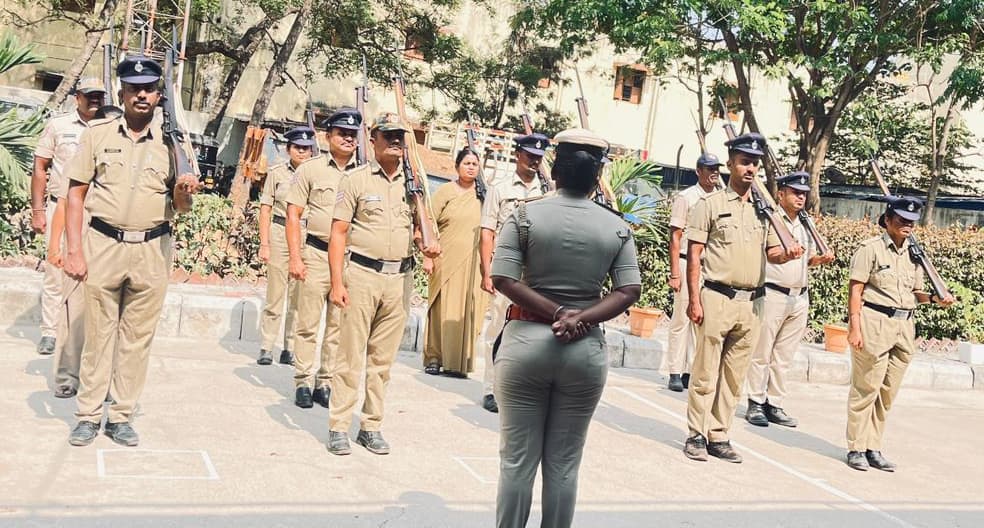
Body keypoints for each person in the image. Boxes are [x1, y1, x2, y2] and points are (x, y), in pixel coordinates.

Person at [492, 128, 640, 528]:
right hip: (583, 350)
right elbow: (629, 289)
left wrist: (556, 310)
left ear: (554, 171)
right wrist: (579, 317)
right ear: (597, 178)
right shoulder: (617, 227)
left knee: (517, 462)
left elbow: (503, 278)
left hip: (526, 344)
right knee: (564, 465)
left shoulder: (524, 215)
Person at [63, 56, 202, 447]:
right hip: (103, 244)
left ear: (159, 96)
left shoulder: (174, 143)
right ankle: (88, 415)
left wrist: (184, 191)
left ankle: (121, 415)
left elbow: (182, 208)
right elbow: (75, 194)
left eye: (150, 89)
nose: (142, 95)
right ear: (122, 93)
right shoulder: (98, 134)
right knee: (98, 336)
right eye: (134, 88)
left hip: (152, 249)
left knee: (137, 339)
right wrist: (74, 250)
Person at [683, 133, 803, 463]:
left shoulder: (764, 211)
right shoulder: (710, 205)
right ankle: (696, 433)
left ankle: (718, 434)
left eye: (755, 164)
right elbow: (695, 255)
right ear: (731, 164)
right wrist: (694, 299)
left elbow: (772, 253)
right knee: (705, 371)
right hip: (717, 296)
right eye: (744, 162)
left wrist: (788, 254)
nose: (750, 169)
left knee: (734, 375)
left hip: (753, 303)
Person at [326, 112, 441, 455]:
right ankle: (338, 425)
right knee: (350, 356)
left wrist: (427, 245)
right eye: (388, 135)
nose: (395, 141)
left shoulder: (415, 186)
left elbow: (421, 230)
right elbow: (338, 233)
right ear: (372, 139)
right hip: (362, 275)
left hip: (400, 279)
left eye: (400, 137)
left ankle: (371, 426)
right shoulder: (357, 180)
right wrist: (337, 283)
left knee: (382, 361)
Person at [844, 196, 954, 471]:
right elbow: (856, 290)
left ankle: (873, 446)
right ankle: (856, 447)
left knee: (887, 393)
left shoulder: (914, 255)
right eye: (903, 220)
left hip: (904, 326)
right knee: (866, 389)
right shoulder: (870, 249)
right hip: (875, 322)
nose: (908, 225)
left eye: (912, 222)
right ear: (888, 220)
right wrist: (854, 327)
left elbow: (915, 293)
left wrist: (935, 298)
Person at [285, 109, 361, 408]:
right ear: (328, 136)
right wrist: (295, 257)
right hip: (316, 254)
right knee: (307, 322)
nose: (348, 138)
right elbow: (293, 214)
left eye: (352, 134)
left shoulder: (363, 174)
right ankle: (303, 380)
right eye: (342, 133)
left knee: (337, 325)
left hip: (348, 260)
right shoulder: (310, 170)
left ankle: (325, 381)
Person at [745, 171, 835, 427]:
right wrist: (785, 255)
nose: (800, 197)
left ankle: (774, 402)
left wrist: (820, 259)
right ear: (781, 194)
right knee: (762, 352)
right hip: (773, 293)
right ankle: (755, 401)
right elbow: (769, 254)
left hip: (799, 296)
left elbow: (807, 259)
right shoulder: (770, 219)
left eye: (803, 193)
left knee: (784, 356)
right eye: (795, 192)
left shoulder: (807, 223)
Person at [31, 77, 106, 357]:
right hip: (60, 208)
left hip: (96, 212)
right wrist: (38, 211)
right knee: (56, 269)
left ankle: (82, 333)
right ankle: (50, 332)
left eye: (99, 95)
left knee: (93, 274)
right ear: (77, 97)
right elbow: (40, 167)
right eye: (90, 95)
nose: (95, 100)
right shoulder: (59, 126)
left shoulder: (110, 128)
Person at [478, 133, 550, 413]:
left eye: (539, 157)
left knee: (531, 332)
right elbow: (487, 232)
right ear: (517, 154)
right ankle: (491, 388)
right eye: (530, 155)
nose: (534, 161)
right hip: (507, 269)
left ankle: (519, 388)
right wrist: (487, 271)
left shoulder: (549, 191)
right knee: (499, 328)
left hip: (536, 273)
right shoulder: (500, 188)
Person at [422, 148, 490, 377]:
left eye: (474, 164)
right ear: (457, 166)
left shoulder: (484, 196)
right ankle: (434, 357)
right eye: (466, 163)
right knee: (441, 308)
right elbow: (427, 223)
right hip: (445, 259)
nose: (471, 167)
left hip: (474, 264)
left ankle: (458, 363)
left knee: (468, 310)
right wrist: (427, 257)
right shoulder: (446, 191)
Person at [256, 126, 314, 367]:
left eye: (306, 148)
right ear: (289, 149)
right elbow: (265, 209)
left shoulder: (316, 174)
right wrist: (265, 243)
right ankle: (267, 346)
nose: (302, 152)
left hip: (306, 234)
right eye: (297, 147)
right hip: (280, 233)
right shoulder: (277, 173)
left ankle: (289, 347)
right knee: (275, 294)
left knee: (298, 296)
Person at [665, 152, 722, 392]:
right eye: (709, 169)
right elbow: (675, 237)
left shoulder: (721, 199)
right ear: (699, 171)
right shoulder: (686, 197)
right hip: (687, 261)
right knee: (681, 319)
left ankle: (690, 370)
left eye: (716, 168)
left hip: (710, 266)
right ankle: (674, 371)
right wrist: (674, 273)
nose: (714, 173)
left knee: (701, 320)